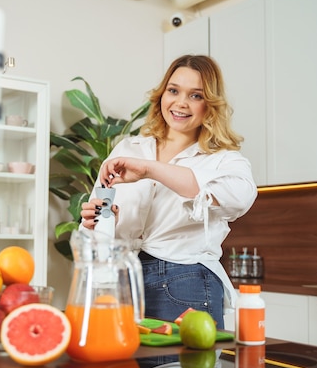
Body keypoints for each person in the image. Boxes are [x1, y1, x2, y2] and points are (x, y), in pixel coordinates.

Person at [79, 54, 257, 329]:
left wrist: (151, 170)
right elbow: (96, 228)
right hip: (122, 283)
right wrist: (97, 222)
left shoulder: (224, 160)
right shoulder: (128, 149)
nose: (181, 103)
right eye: (173, 91)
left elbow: (240, 198)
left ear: (210, 104)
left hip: (184, 283)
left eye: (195, 95)